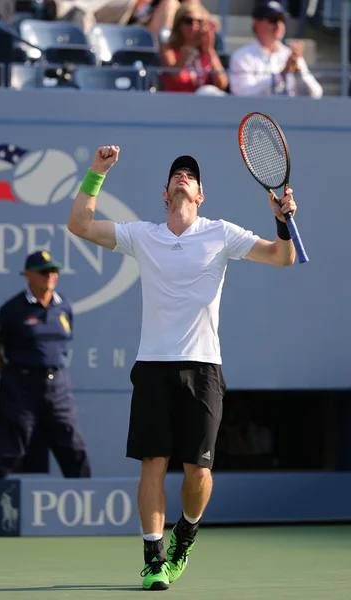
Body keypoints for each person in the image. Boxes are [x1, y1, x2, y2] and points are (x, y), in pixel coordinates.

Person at [67, 145, 298, 590]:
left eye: (190, 175)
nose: (182, 177)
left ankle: (185, 536)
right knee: (153, 463)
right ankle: (154, 556)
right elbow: (79, 225)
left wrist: (282, 220)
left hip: (204, 368)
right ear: (165, 194)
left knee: (199, 473)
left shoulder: (221, 233)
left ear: (201, 195)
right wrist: (96, 172)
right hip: (152, 367)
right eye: (177, 174)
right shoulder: (143, 235)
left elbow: (281, 256)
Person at [0, 250, 91, 536]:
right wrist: (13, 379)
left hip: (58, 387)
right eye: (44, 271)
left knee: (74, 450)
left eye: (54, 271)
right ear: (28, 275)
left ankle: (87, 514)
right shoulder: (13, 310)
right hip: (20, 388)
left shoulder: (63, 306)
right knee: (8, 451)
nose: (50, 276)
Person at [229, 1, 323, 98]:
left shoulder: (291, 55)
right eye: (273, 20)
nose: (279, 25)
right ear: (256, 23)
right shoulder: (241, 57)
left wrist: (298, 72)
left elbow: (316, 94)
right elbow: (243, 94)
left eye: (282, 20)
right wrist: (281, 75)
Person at [160, 1, 228, 94]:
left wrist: (209, 50)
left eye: (199, 22)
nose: (194, 26)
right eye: (188, 21)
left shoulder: (205, 51)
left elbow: (222, 84)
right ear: (179, 24)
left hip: (201, 103)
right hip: (175, 101)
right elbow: (174, 74)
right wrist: (192, 44)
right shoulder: (168, 48)